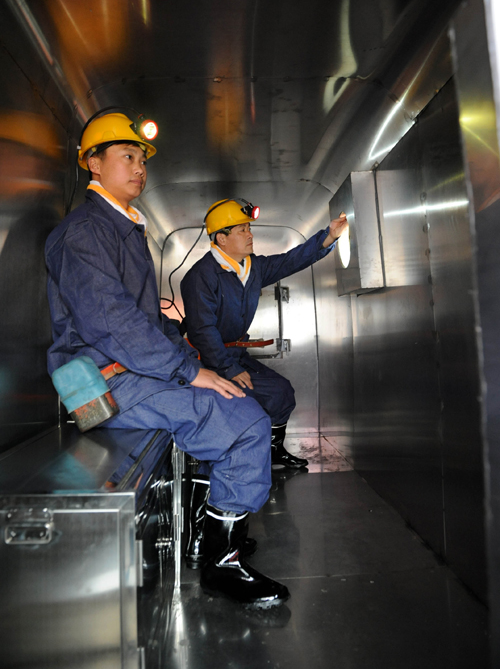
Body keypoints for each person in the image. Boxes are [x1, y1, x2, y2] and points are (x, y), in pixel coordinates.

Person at [44, 112, 289, 610]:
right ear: (92, 163)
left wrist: (193, 361)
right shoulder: (86, 231)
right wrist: (188, 370)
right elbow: (110, 323)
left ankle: (207, 538)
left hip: (118, 372)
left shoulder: (122, 229)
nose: (139, 168)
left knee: (231, 400)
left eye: (141, 159)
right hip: (95, 387)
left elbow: (146, 322)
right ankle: (221, 562)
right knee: (245, 422)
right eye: (126, 156)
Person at [180, 198, 348, 467]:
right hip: (206, 361)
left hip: (235, 355)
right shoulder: (201, 276)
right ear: (221, 239)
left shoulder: (252, 267)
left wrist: (328, 236)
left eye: (249, 228)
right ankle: (224, 463)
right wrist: (227, 368)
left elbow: (289, 261)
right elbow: (201, 331)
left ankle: (272, 453)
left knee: (281, 392)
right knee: (238, 404)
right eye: (242, 230)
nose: (250, 235)